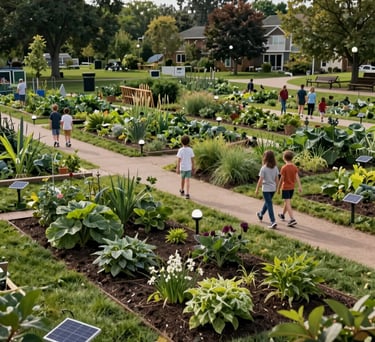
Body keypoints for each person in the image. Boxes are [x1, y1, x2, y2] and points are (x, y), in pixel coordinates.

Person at [277, 150, 302, 227]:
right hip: (292, 188)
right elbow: (297, 177)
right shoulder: (294, 167)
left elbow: (281, 179)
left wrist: (278, 188)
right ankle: (282, 214)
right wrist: (300, 186)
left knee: (287, 202)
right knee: (287, 201)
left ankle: (292, 219)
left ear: (284, 158)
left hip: (285, 188)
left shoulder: (284, 168)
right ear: (292, 158)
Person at [255, 150, 279, 229]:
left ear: (265, 158)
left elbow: (260, 180)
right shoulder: (275, 168)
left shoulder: (264, 168)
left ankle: (273, 221)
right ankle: (261, 214)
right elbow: (277, 179)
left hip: (265, 189)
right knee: (268, 202)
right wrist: (277, 188)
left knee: (269, 204)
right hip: (273, 189)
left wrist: (257, 189)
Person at [176, 135, 195, 200]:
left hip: (182, 168)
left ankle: (182, 190)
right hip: (188, 168)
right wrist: (193, 167)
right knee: (188, 181)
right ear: (189, 142)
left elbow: (178, 160)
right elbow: (192, 160)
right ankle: (187, 193)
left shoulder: (180, 150)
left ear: (181, 142)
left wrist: (177, 168)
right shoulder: (191, 150)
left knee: (182, 179)